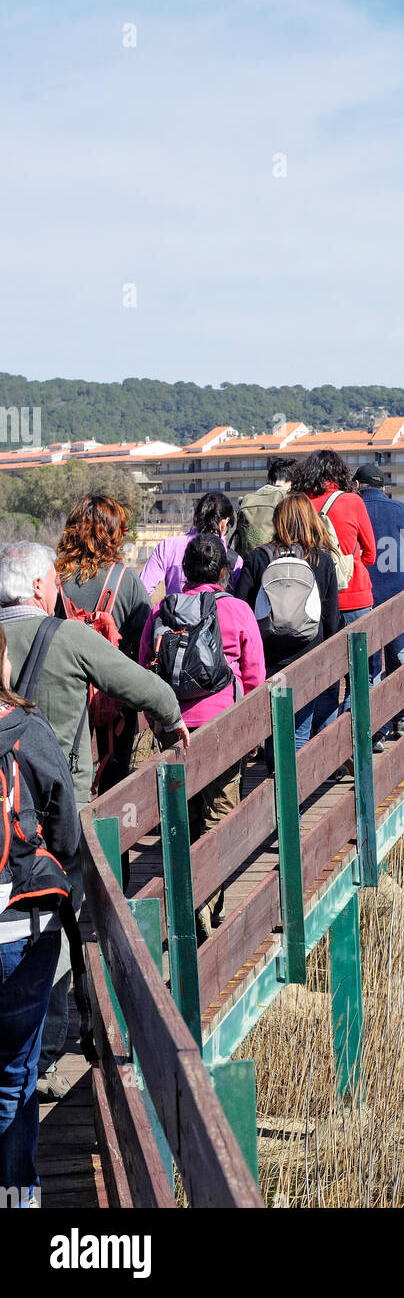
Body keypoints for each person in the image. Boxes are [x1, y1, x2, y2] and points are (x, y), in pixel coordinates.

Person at [0, 541, 189, 1099]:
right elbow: (144, 686)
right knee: (56, 925)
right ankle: (46, 1055)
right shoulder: (67, 637)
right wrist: (172, 721)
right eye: (55, 581)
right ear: (38, 587)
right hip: (57, 813)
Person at [139, 535, 264, 939]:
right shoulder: (237, 609)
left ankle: (190, 897)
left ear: (185, 572)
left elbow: (145, 669)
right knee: (222, 813)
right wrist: (252, 731)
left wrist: (158, 721)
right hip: (222, 727)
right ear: (225, 573)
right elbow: (254, 675)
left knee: (185, 814)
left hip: (174, 728)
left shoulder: (163, 609)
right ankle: (207, 900)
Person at [0, 624, 81, 1207]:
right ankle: (15, 1195)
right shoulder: (27, 731)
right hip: (21, 930)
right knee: (13, 1071)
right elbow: (67, 830)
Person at [54, 495, 152, 796]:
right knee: (116, 778)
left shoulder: (52, 579)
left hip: (65, 695)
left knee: (68, 775)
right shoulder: (127, 580)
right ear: (113, 533)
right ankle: (114, 839)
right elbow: (145, 641)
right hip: (116, 696)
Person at [234, 494, 340, 749]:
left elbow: (242, 608)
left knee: (275, 729)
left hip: (269, 659)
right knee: (300, 731)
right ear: (311, 521)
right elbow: (331, 618)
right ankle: (295, 786)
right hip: (309, 656)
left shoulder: (258, 558)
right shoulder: (321, 560)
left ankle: (275, 780)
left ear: (277, 521)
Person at [294, 451, 376, 726]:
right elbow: (371, 554)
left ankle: (328, 746)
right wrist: (350, 564)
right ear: (339, 473)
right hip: (355, 597)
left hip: (312, 601)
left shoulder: (299, 504)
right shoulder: (352, 500)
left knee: (326, 678)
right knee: (359, 673)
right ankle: (352, 736)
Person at [353, 463, 404, 748]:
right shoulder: (398, 509)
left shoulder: (352, 510)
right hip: (397, 591)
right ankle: (403, 715)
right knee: (400, 656)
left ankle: (375, 729)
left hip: (363, 595)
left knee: (370, 666)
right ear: (382, 487)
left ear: (357, 485)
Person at [140, 493, 243, 596]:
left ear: (195, 517)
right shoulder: (235, 560)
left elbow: (142, 590)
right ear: (224, 524)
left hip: (175, 610)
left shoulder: (167, 547)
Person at [231, 458, 298, 557]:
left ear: (270, 480)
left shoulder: (248, 499)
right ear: (293, 482)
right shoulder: (290, 500)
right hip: (278, 561)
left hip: (249, 561)